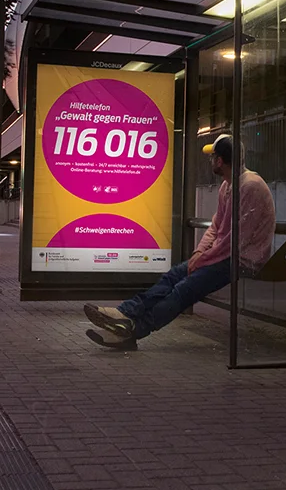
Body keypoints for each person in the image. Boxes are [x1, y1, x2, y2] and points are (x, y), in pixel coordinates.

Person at [84, 133, 275, 348]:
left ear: (219, 161)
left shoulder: (250, 186)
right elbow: (216, 226)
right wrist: (198, 254)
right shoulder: (227, 186)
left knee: (184, 289)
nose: (211, 161)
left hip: (244, 259)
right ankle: (125, 313)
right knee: (174, 275)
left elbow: (235, 239)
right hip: (226, 253)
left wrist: (202, 259)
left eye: (212, 157)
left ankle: (133, 331)